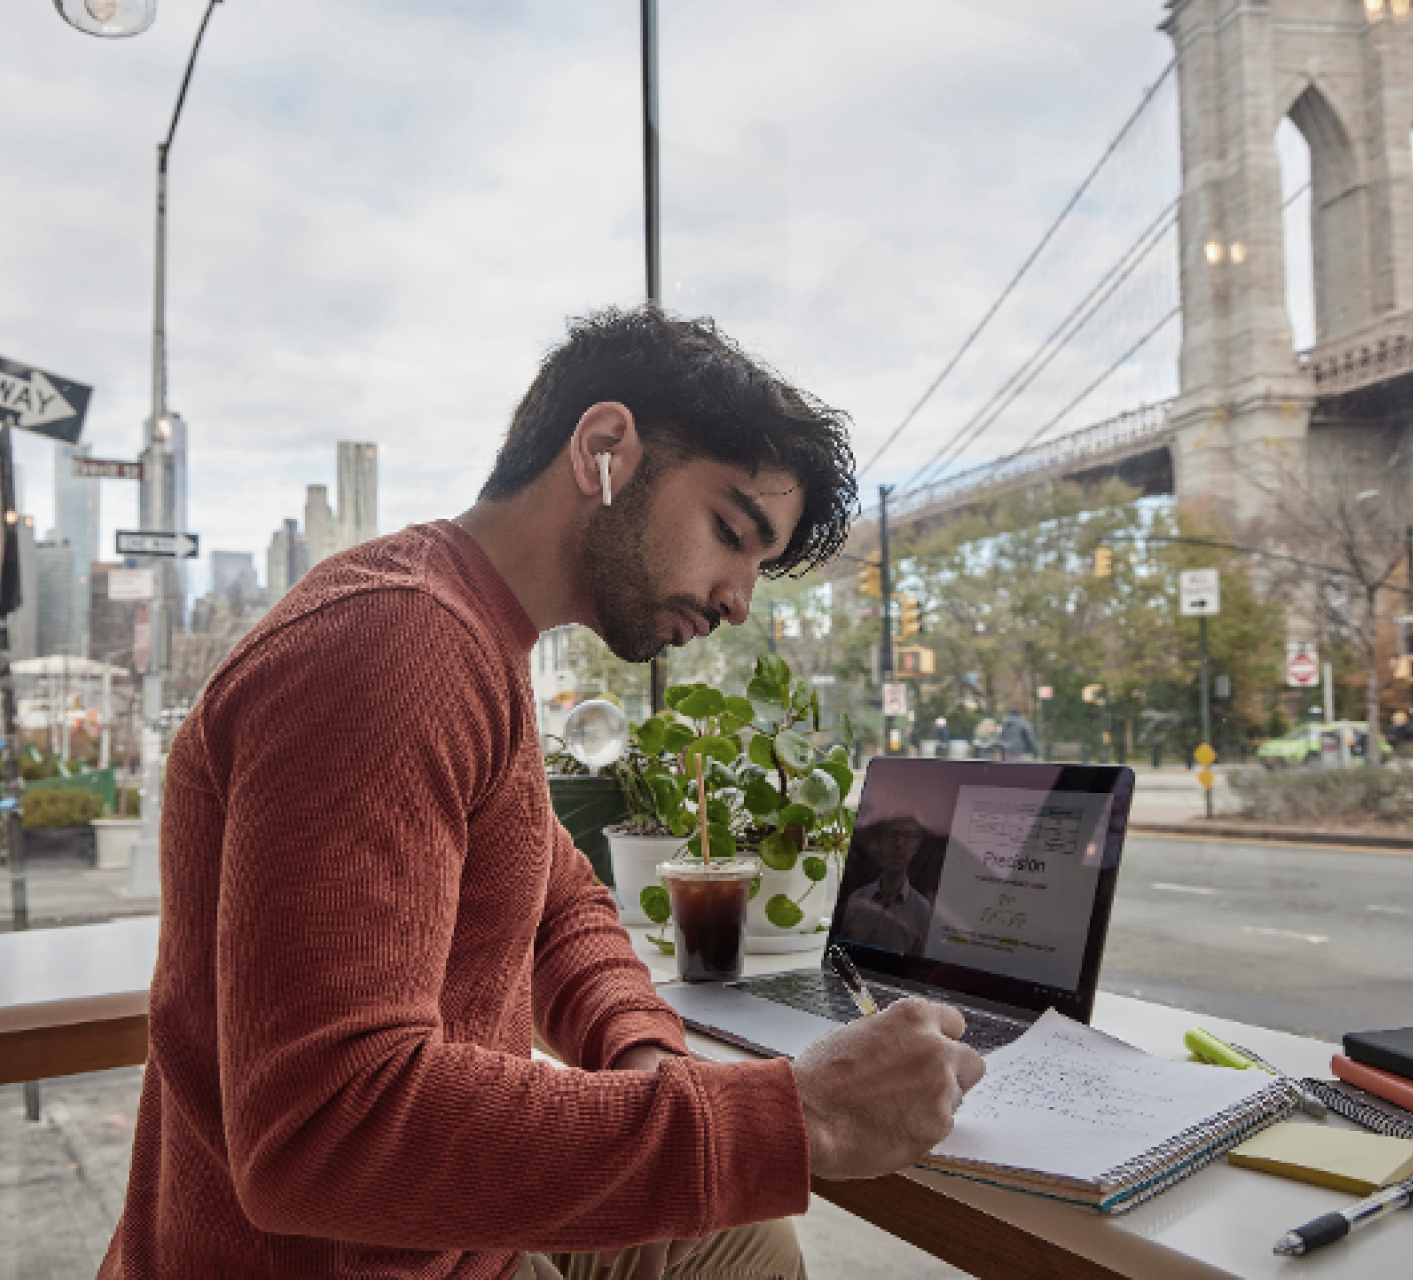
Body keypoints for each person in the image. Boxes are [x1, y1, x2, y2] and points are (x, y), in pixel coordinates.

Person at [100, 308, 986, 1280]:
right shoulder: (392, 647)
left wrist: (644, 1051)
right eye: (732, 531)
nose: (739, 597)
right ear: (604, 448)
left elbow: (555, 904)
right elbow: (323, 1129)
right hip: (318, 1257)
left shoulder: (482, 642)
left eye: (758, 566)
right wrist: (794, 1113)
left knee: (745, 1237)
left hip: (445, 1240)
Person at [841, 815, 933, 957]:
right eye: (893, 834)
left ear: (916, 846)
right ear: (881, 842)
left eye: (908, 836)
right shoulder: (855, 900)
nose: (899, 844)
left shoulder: (923, 912)